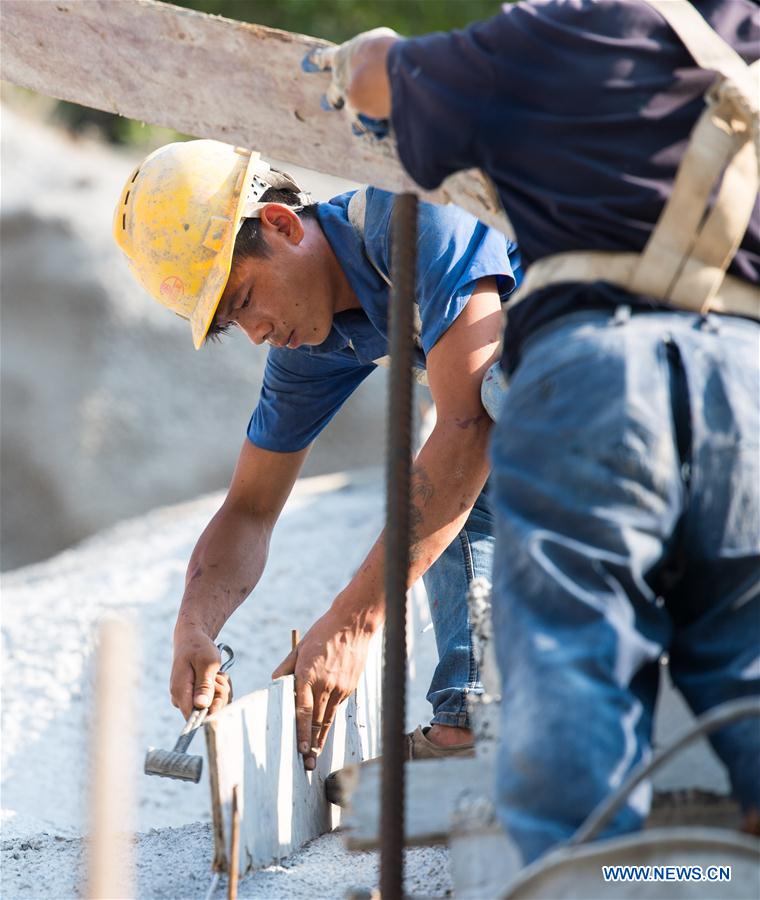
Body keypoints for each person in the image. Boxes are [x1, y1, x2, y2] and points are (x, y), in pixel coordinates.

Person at [315, 0, 760, 864]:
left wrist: (368, 49)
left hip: (596, 372)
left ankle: (578, 873)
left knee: (573, 656)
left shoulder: (555, 34)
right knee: (749, 658)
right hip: (748, 380)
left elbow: (372, 80)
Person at [113, 139, 521, 772]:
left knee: (495, 401)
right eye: (231, 323)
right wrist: (194, 627)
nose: (257, 334)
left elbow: (467, 428)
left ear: (280, 225)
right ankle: (472, 725)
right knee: (472, 447)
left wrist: (353, 623)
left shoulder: (412, 213)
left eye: (245, 299)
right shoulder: (311, 342)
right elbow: (249, 509)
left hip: (667, 346)